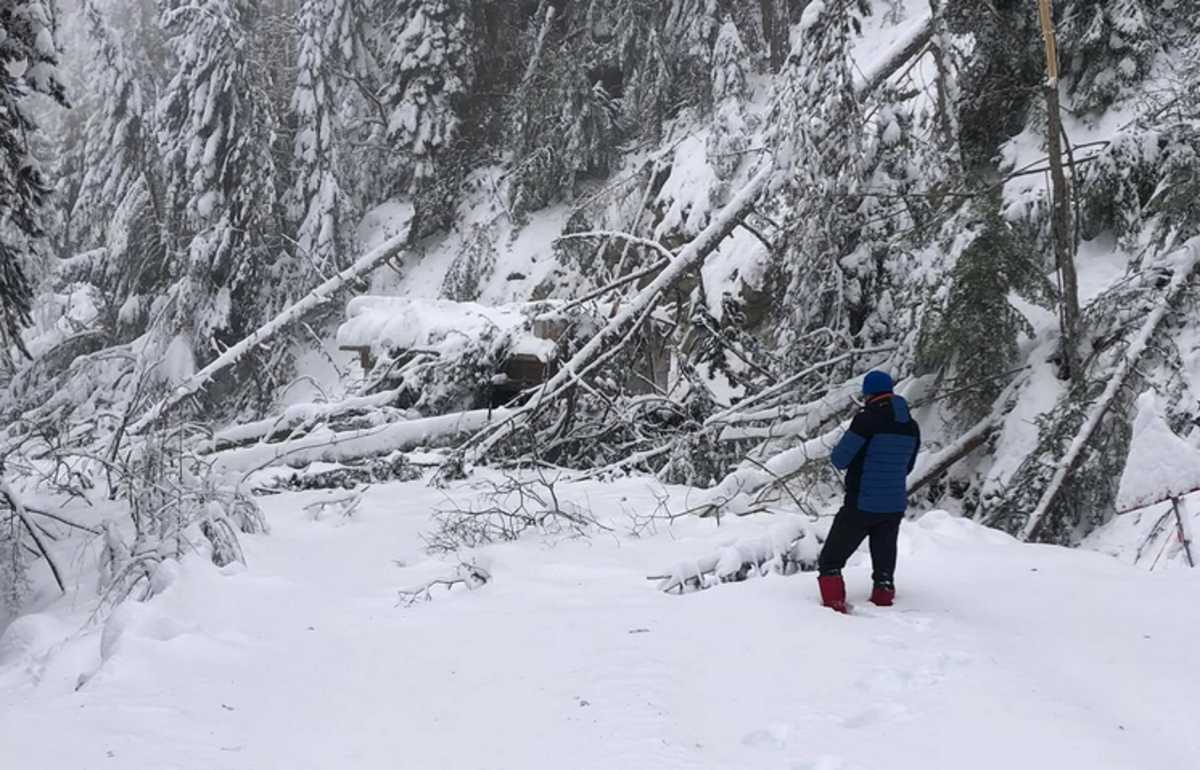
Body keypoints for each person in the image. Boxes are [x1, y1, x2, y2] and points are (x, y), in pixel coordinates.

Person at [817, 370, 920, 613]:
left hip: (861, 503)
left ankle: (833, 612)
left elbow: (840, 459)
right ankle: (884, 603)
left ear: (868, 394)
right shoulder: (912, 426)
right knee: (883, 568)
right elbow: (908, 466)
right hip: (893, 505)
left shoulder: (866, 420)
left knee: (830, 561)